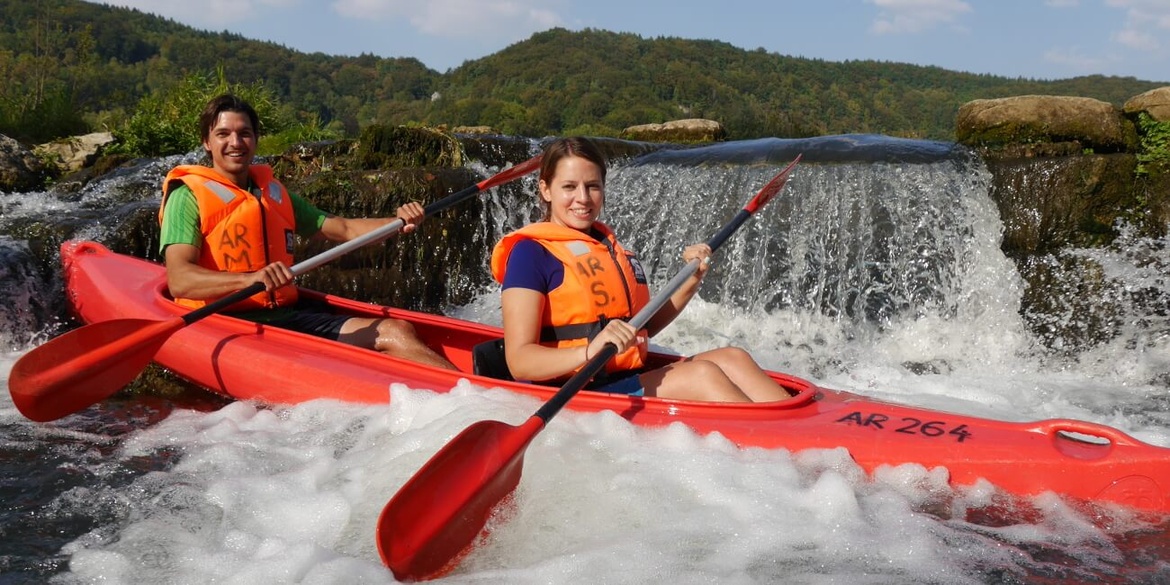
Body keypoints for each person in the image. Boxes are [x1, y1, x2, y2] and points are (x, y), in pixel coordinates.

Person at [158, 93, 456, 370]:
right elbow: (180, 280)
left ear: (256, 139)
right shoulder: (187, 196)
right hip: (224, 322)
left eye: (244, 133)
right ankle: (477, 397)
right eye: (223, 134)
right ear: (207, 142)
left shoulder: (273, 193)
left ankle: (468, 393)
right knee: (392, 334)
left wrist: (399, 220)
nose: (235, 142)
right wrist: (250, 279)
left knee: (398, 329)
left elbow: (342, 227)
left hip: (285, 317)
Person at [489, 136, 791, 402]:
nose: (582, 198)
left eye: (592, 186)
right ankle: (782, 451)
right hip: (574, 390)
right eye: (569, 187)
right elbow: (520, 361)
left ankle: (802, 437)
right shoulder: (530, 254)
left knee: (733, 358)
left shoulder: (609, 248)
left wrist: (692, 279)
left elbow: (643, 328)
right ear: (546, 189)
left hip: (620, 378)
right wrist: (588, 352)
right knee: (702, 375)